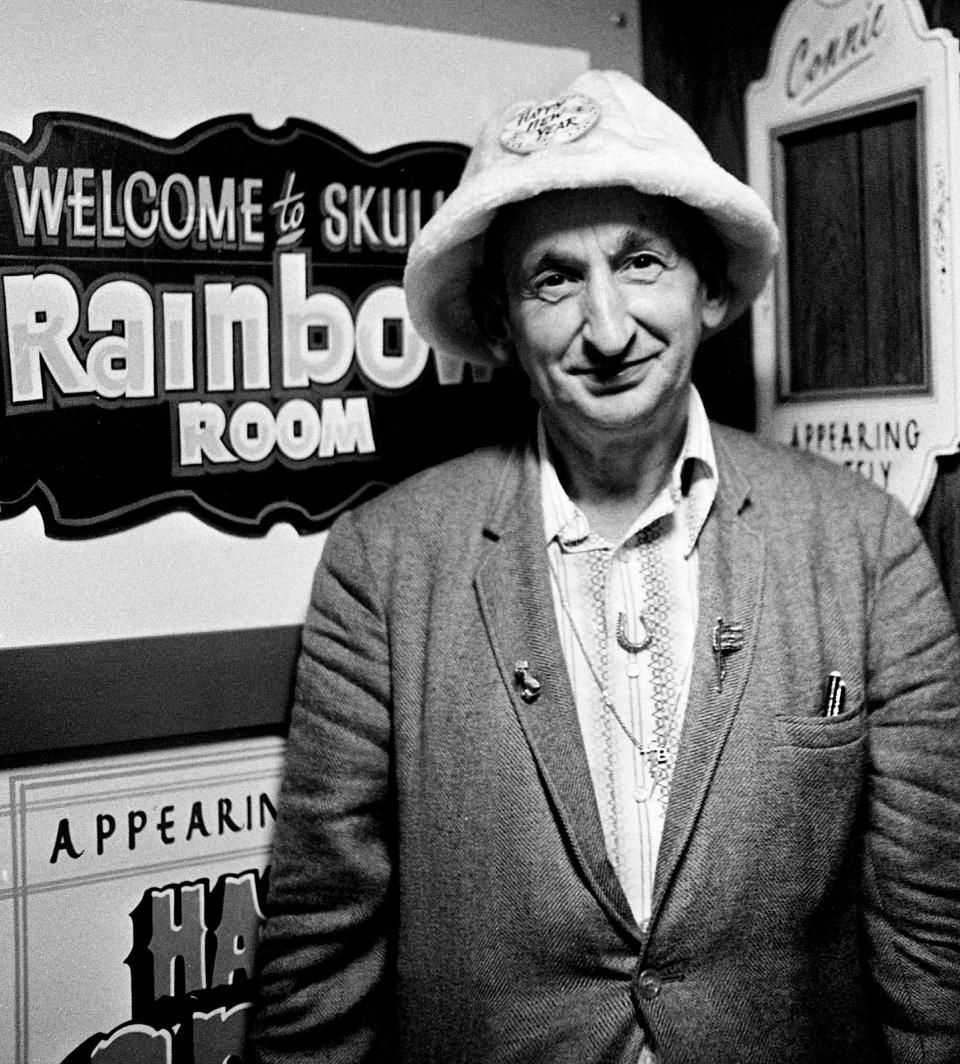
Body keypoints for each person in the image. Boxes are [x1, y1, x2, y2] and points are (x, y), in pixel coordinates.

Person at [251, 70, 960, 1064]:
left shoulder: (866, 547)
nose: (611, 326)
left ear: (709, 288)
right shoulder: (385, 564)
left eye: (641, 261)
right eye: (553, 277)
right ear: (501, 323)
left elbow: (933, 932)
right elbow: (319, 938)